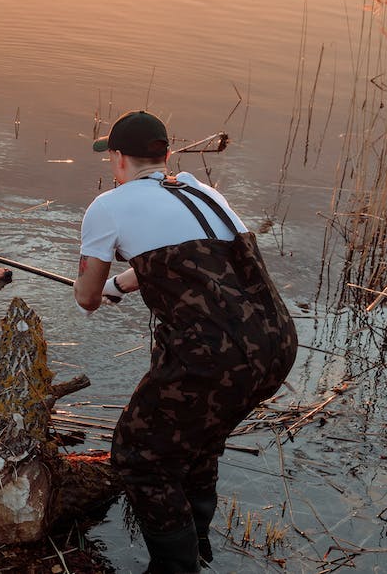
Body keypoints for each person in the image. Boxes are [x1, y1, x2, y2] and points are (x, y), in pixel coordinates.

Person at [73, 110, 297, 573]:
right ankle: (198, 547)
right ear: (166, 155)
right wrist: (122, 284)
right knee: (199, 444)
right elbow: (194, 264)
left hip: (213, 357)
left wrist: (100, 288)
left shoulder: (109, 206)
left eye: (110, 155)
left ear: (117, 158)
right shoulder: (202, 191)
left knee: (138, 456)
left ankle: (176, 568)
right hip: (276, 344)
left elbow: (86, 297)